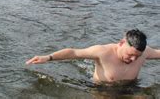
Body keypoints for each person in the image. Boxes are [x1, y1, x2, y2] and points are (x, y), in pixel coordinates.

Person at [26, 29, 160, 83]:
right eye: (131, 55)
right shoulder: (102, 52)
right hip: (103, 89)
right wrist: (48, 57)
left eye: (137, 57)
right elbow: (74, 52)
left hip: (131, 88)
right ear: (121, 43)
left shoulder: (145, 52)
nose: (133, 59)